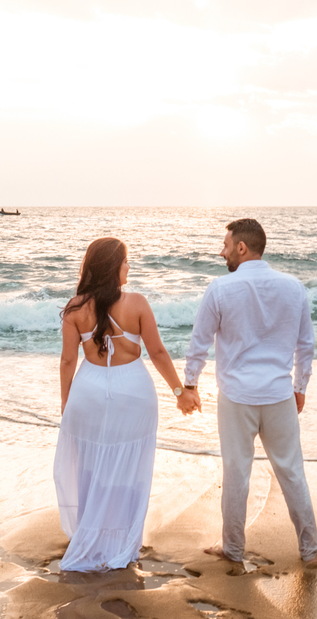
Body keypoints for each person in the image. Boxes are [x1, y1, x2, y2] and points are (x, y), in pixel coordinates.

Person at [181, 218, 317, 569]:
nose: (222, 251)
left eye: (226, 245)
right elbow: (306, 346)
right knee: (291, 471)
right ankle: (311, 550)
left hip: (237, 397)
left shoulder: (220, 289)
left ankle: (233, 549)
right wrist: (299, 388)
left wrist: (190, 384)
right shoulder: (293, 288)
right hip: (278, 394)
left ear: (241, 248)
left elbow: (199, 343)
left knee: (236, 473)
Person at [53, 237, 199, 571]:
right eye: (125, 262)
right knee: (130, 465)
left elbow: (66, 362)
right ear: (112, 266)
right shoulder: (137, 304)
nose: (128, 267)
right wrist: (181, 393)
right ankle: (122, 539)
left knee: (91, 462)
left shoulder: (75, 308)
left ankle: (91, 531)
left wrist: (66, 405)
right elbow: (158, 352)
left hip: (88, 391)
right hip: (133, 391)